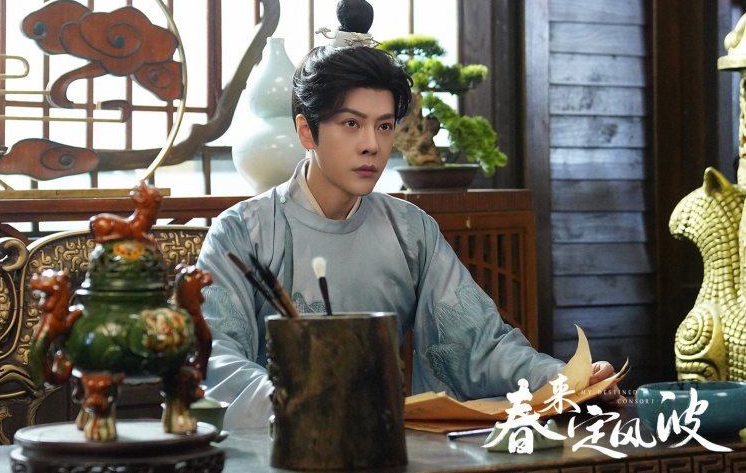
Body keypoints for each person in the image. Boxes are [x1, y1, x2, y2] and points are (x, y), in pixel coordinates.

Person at [195, 41, 617, 429]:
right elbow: (216, 358)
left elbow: (478, 344)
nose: (371, 145)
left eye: (384, 126)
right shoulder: (243, 231)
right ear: (307, 131)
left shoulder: (409, 231)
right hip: (282, 445)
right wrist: (303, 403)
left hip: (384, 441)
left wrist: (565, 379)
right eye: (351, 123)